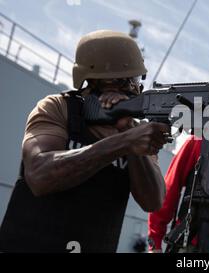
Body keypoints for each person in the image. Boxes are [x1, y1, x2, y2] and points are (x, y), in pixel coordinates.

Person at [0, 30, 170, 253]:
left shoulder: (134, 133)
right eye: (125, 81)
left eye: (136, 80)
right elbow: (39, 175)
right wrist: (123, 142)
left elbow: (153, 202)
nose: (134, 89)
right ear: (96, 83)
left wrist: (128, 132)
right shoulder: (58, 108)